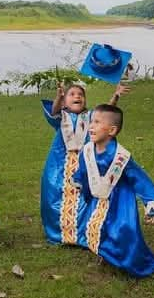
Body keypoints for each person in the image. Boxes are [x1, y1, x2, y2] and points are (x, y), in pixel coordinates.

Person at [72, 104, 154, 278]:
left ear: (112, 130)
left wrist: (152, 205)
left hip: (119, 201)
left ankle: (143, 264)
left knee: (123, 233)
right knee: (96, 226)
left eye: (97, 122)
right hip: (97, 199)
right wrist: (78, 181)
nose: (91, 126)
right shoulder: (87, 150)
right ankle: (107, 256)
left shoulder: (121, 157)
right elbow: (83, 169)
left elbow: (139, 179)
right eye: (91, 121)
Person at [39, 81, 127, 246]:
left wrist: (116, 95)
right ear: (65, 101)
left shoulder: (90, 117)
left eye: (81, 94)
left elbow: (106, 114)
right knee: (56, 195)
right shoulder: (61, 117)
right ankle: (59, 234)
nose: (77, 96)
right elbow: (53, 111)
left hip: (85, 162)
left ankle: (82, 234)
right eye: (72, 94)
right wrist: (58, 97)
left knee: (85, 196)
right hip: (59, 164)